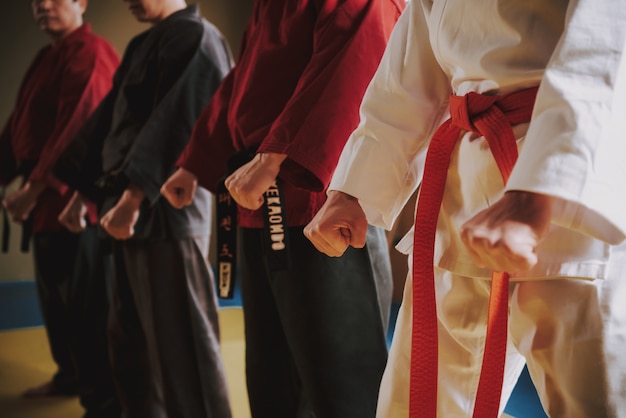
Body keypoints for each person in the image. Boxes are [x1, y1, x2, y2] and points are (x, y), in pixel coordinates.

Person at [304, 1, 626, 417]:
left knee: (596, 401)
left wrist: (538, 190)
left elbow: (608, 47)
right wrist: (353, 189)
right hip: (461, 192)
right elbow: (406, 77)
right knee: (417, 401)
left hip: (574, 187)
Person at [160, 0, 405, 416]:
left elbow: (355, 64)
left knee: (340, 381)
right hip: (258, 202)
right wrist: (195, 159)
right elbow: (246, 83)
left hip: (317, 204)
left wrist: (274, 156)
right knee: (270, 372)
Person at [53, 0, 234, 416]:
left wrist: (134, 198)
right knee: (131, 345)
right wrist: (82, 193)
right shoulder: (142, 44)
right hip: (126, 212)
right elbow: (107, 126)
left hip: (169, 215)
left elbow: (180, 122)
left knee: (182, 347)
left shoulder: (197, 38)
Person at [0, 0, 121, 416]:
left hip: (77, 203)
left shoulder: (92, 53)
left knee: (89, 308)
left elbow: (79, 130)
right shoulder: (46, 57)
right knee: (56, 302)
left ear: (81, 3)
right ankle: (69, 375)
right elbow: (20, 127)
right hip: (43, 206)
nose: (44, 6)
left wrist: (32, 191)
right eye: (36, 1)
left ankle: (103, 400)